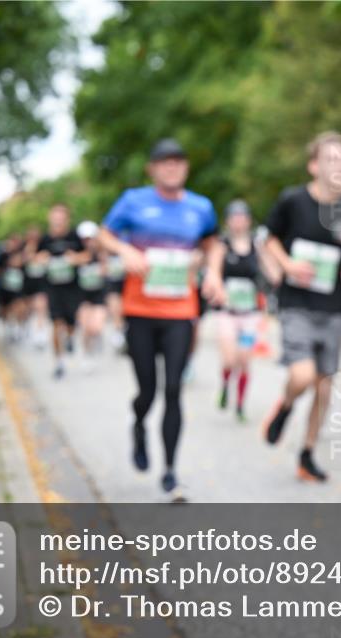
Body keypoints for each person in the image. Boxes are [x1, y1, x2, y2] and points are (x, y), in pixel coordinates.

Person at [98, 138, 224, 496]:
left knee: (173, 389)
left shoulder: (201, 207)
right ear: (152, 168)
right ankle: (138, 423)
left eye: (178, 162)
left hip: (180, 311)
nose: (172, 168)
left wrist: (213, 272)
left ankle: (169, 469)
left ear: (185, 168)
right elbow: (104, 235)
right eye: (164, 162)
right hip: (139, 311)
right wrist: (124, 249)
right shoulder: (133, 201)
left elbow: (212, 243)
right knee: (147, 391)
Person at [260, 131, 341, 482]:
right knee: (303, 376)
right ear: (313, 165)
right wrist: (288, 265)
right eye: (331, 159)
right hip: (296, 304)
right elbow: (269, 238)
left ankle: (306, 454)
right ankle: (286, 406)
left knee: (324, 386)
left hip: (332, 307)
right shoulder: (293, 200)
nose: (339, 166)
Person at [211, 200, 280, 421]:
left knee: (245, 360)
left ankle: (240, 405)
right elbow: (213, 271)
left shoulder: (256, 245)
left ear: (248, 220)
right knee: (230, 359)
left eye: (242, 217)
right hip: (227, 312)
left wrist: (270, 258)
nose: (239, 221)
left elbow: (274, 275)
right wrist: (218, 288)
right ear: (228, 221)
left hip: (250, 313)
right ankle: (224, 385)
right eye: (234, 217)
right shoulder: (222, 245)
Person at [35, 204, 89, 379]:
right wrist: (41, 259)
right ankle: (59, 362)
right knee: (56, 324)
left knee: (71, 324)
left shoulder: (74, 237)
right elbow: (34, 258)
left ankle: (71, 337)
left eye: (61, 219)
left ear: (66, 220)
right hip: (53, 288)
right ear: (50, 219)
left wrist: (75, 259)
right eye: (54, 219)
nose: (57, 222)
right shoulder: (44, 239)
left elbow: (87, 256)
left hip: (72, 288)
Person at [75, 220, 108, 371]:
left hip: (99, 295)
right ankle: (86, 354)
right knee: (86, 328)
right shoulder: (77, 253)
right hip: (83, 296)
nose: (89, 242)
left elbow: (107, 271)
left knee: (96, 327)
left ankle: (96, 342)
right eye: (86, 239)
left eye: (91, 238)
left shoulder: (102, 254)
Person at [21, 227, 50, 350]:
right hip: (28, 284)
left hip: (41, 284)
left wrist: (36, 257)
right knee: (28, 308)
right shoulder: (25, 247)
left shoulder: (45, 247)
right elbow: (25, 259)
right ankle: (27, 328)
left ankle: (40, 333)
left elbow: (44, 259)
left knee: (41, 308)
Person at [0, 233, 27, 342]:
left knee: (19, 307)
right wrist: (9, 265)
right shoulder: (3, 255)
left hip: (18, 288)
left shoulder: (23, 255)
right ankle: (6, 327)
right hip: (5, 287)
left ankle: (17, 329)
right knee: (5, 309)